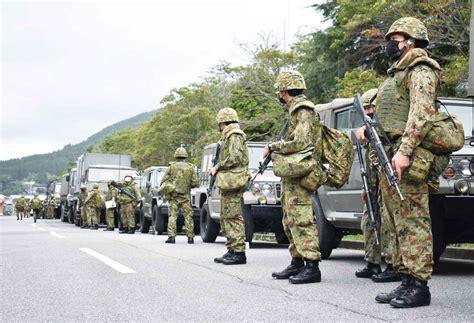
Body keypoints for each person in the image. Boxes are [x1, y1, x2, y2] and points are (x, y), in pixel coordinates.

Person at [356, 17, 440, 308]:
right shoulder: (396, 73)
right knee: (396, 223)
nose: (391, 42)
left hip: (408, 156)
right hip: (390, 155)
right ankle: (405, 279)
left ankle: (419, 285)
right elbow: (390, 117)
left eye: (397, 37)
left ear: (412, 40)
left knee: (413, 222)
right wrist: (370, 132)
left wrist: (404, 151)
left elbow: (422, 114)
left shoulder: (420, 69)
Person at [354, 88, 401, 283]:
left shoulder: (386, 128)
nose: (369, 112)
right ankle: (372, 262)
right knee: (369, 221)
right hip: (373, 184)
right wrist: (366, 188)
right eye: (366, 109)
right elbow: (369, 160)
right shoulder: (368, 131)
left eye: (371, 108)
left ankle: (392, 264)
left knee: (389, 224)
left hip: (388, 184)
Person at [210, 107, 250, 265]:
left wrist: (218, 166)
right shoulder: (229, 136)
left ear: (223, 122)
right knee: (226, 216)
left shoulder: (234, 135)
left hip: (234, 180)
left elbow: (235, 158)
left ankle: (239, 252)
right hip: (229, 181)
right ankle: (232, 249)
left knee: (233, 216)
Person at [161, 147, 199, 244]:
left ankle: (172, 237)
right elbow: (195, 183)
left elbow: (164, 181)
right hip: (185, 196)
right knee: (188, 216)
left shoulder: (171, 167)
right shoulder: (191, 167)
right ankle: (190, 237)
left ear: (176, 156)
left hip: (173, 196)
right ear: (185, 156)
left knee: (172, 216)